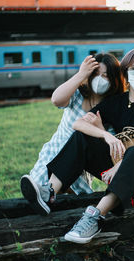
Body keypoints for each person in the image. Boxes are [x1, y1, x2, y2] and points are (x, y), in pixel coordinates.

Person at [20, 53, 125, 215]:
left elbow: (105, 150)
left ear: (114, 79)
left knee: (70, 204)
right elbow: (56, 100)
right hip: (54, 155)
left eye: (106, 75)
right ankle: (48, 194)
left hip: (80, 165)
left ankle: (52, 199)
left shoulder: (112, 108)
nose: (100, 79)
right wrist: (81, 73)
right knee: (35, 196)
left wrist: (100, 130)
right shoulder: (78, 94)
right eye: (96, 74)